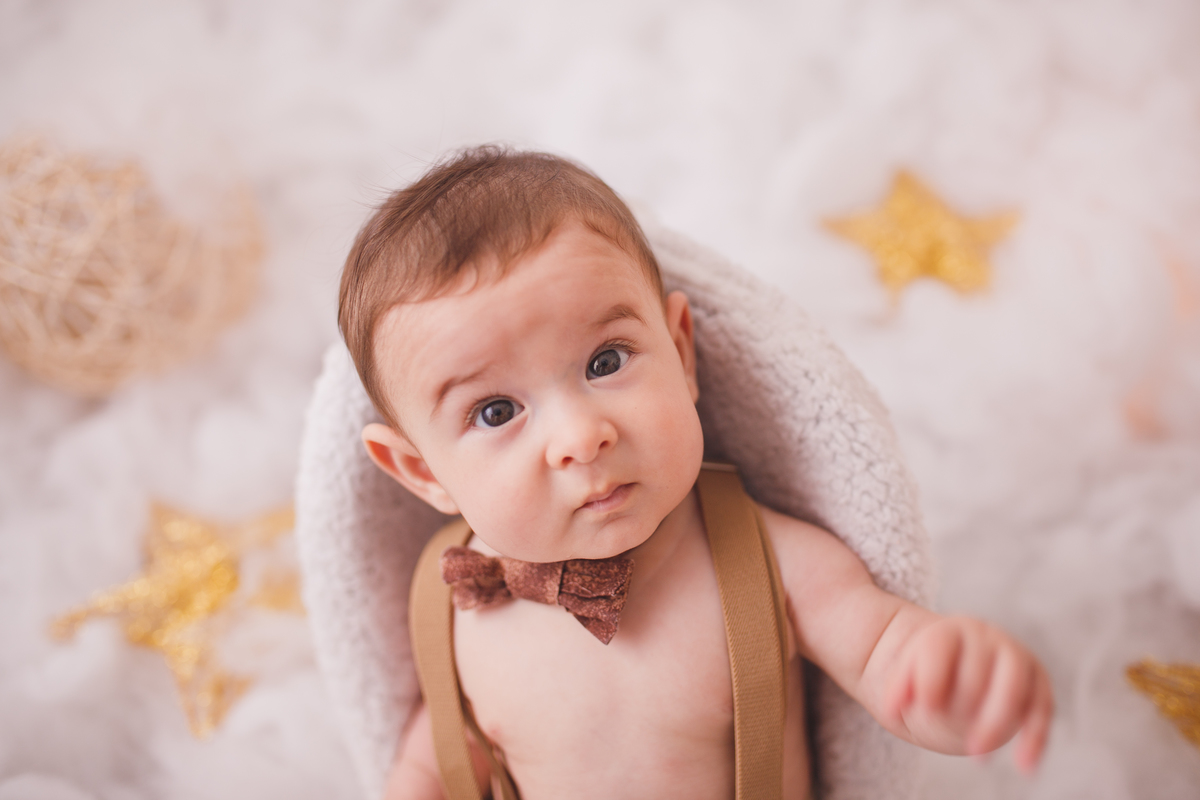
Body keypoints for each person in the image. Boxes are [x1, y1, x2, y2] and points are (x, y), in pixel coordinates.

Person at [338, 146, 1053, 800]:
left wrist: (950, 679)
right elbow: (441, 755)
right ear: (420, 470)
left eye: (605, 362)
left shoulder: (765, 559)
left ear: (682, 354)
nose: (582, 437)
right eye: (496, 411)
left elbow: (885, 655)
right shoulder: (457, 598)